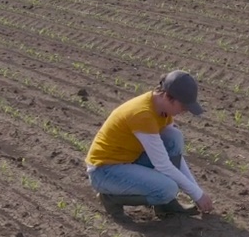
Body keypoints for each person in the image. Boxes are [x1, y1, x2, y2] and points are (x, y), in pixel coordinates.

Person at [85, 70, 214, 217]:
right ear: (167, 97)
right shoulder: (143, 114)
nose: (185, 111)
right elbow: (163, 165)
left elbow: (174, 154)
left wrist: (197, 192)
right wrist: (197, 195)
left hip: (129, 161)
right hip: (104, 172)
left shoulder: (161, 110)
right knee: (167, 189)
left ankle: (165, 206)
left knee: (173, 137)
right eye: (183, 106)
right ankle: (110, 198)